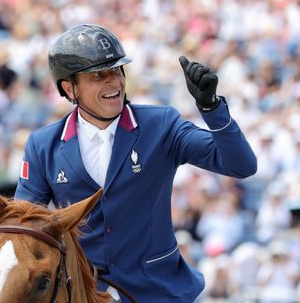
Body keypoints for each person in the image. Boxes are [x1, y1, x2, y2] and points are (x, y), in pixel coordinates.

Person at [14, 24, 257, 302]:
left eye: (117, 70)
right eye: (97, 75)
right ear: (69, 88)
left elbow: (242, 165)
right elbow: (25, 228)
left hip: (160, 290)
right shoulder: (42, 144)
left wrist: (211, 108)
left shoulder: (161, 124)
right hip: (84, 292)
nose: (114, 82)